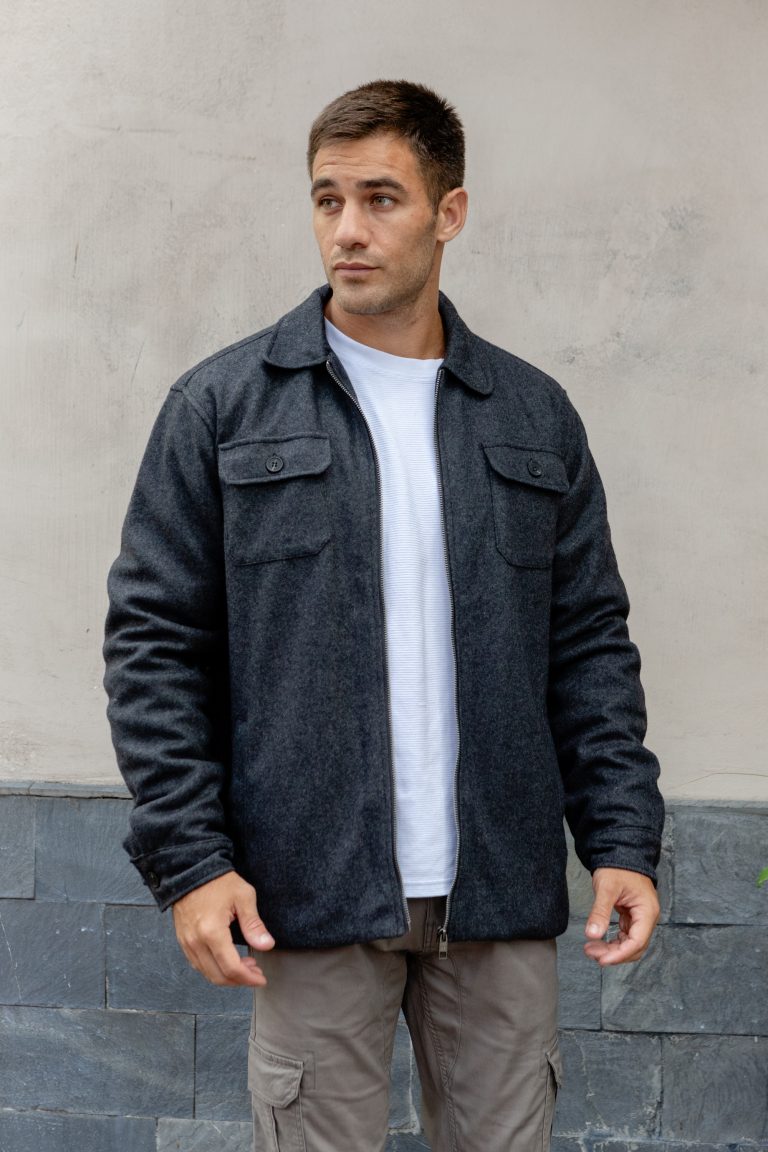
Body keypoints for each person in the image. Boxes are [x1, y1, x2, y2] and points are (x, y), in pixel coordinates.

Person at [104, 79, 664, 1152]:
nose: (347, 230)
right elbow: (155, 646)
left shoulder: (533, 416)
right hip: (308, 892)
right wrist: (192, 860)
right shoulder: (222, 407)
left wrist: (622, 840)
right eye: (327, 200)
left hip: (496, 891)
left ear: (449, 212)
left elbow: (590, 644)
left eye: (380, 198)